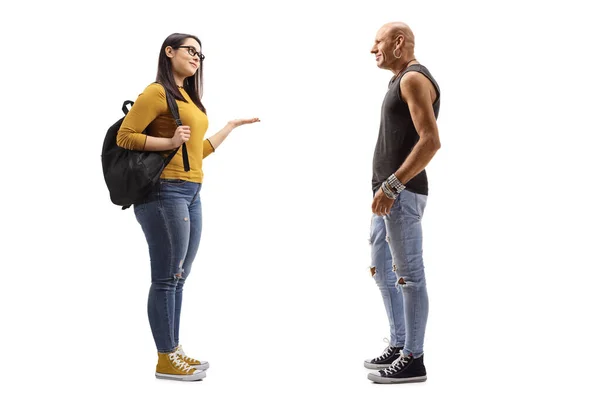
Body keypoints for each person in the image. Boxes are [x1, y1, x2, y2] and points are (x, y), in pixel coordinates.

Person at [116, 33, 259, 381]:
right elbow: (126, 135)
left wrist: (229, 128)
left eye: (200, 54)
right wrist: (168, 140)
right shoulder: (156, 92)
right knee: (166, 278)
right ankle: (165, 358)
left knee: (179, 277)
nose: (197, 58)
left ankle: (174, 350)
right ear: (169, 52)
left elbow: (194, 152)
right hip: (164, 193)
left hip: (192, 191)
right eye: (190, 50)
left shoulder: (188, 99)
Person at [364, 22, 441, 384]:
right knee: (381, 267)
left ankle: (414, 358)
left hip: (402, 193)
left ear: (398, 43)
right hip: (386, 196)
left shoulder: (413, 78)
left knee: (409, 275)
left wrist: (393, 185)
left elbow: (430, 141)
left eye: (377, 41)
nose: (371, 49)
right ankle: (399, 343)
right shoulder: (398, 80)